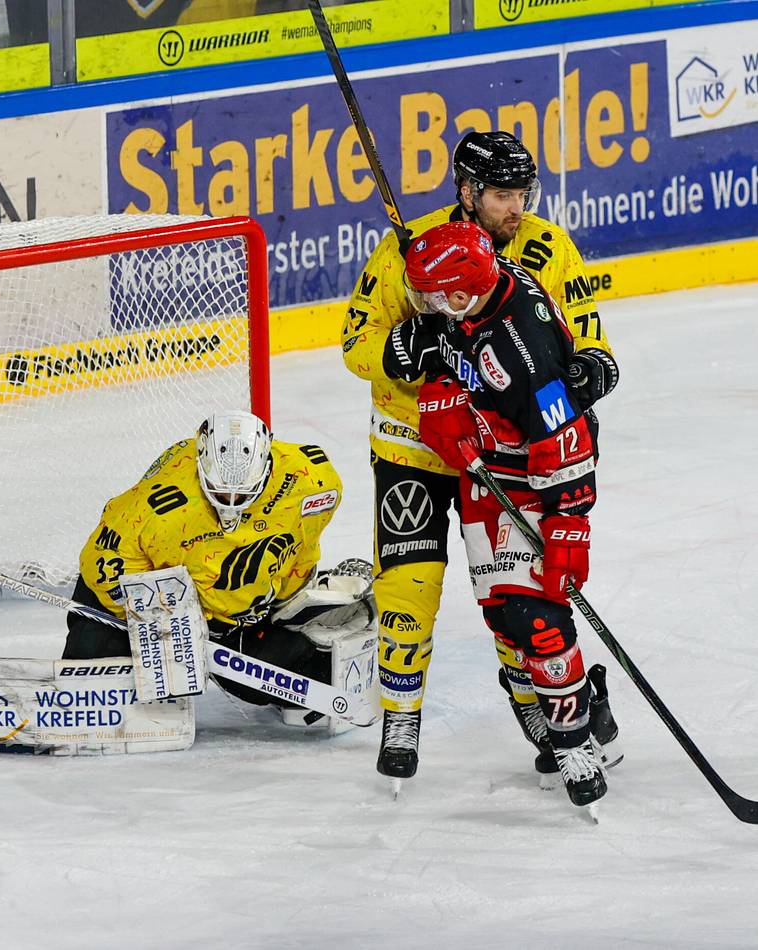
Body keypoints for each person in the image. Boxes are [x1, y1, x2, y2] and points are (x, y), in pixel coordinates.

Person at [341, 129, 620, 784]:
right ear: (466, 192)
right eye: (500, 194)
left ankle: (537, 707)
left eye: (521, 192)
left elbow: (590, 337)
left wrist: (588, 374)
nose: (514, 208)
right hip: (412, 440)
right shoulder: (411, 252)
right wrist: (404, 347)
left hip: (499, 457)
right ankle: (401, 714)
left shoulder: (546, 247)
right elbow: (356, 342)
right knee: (409, 585)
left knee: (507, 592)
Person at [404, 220, 610, 807]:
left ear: (465, 289)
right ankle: (580, 710)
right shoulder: (474, 303)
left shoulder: (524, 350)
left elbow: (568, 441)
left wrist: (568, 529)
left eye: (435, 294)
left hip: (537, 481)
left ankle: (574, 740)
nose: (427, 306)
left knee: (537, 617)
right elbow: (450, 348)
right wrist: (442, 397)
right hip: (488, 471)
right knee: (503, 615)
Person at [63, 409, 375, 723]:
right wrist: (164, 620)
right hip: (162, 605)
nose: (231, 502)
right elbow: (100, 565)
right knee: (93, 664)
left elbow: (303, 542)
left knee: (263, 680)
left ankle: (319, 627)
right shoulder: (155, 508)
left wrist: (287, 598)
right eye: (221, 492)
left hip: (234, 613)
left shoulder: (311, 480)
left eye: (244, 494)